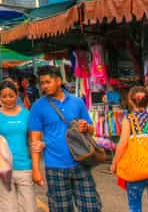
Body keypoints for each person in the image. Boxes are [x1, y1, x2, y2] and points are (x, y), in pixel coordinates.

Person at [28, 65, 101, 212]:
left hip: (81, 162)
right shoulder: (38, 106)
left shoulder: (77, 102)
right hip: (55, 167)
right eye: (42, 83)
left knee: (92, 207)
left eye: (48, 82)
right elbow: (34, 141)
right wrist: (35, 169)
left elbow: (92, 129)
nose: (44, 86)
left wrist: (86, 127)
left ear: (59, 81)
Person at [111, 86, 148, 212]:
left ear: (130, 100)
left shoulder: (128, 120)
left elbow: (122, 144)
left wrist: (114, 163)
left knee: (135, 205)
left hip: (134, 168)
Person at [0, 80, 36, 212]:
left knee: (29, 207)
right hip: (3, 169)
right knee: (8, 208)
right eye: (4, 96)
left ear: (17, 95)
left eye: (11, 95)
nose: (8, 99)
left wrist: (36, 166)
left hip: (24, 168)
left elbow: (33, 140)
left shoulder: (26, 114)